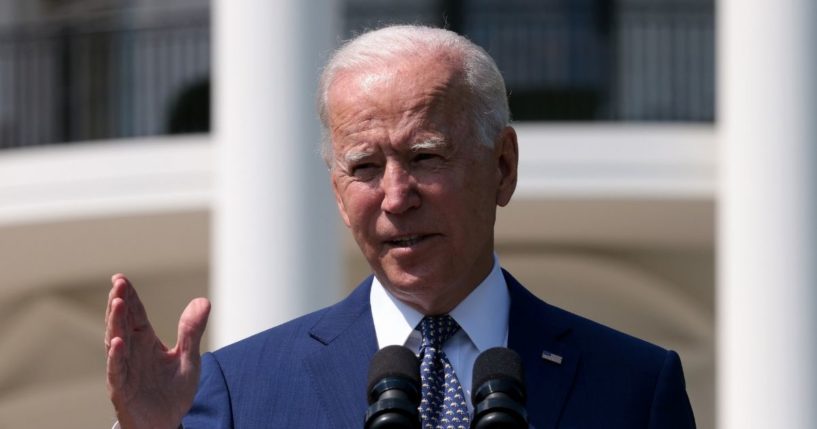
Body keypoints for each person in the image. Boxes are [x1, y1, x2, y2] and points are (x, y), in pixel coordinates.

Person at [105, 25, 696, 428]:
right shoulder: (240, 390)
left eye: (426, 157)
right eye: (364, 167)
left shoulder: (635, 387)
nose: (395, 197)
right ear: (338, 192)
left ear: (503, 167)